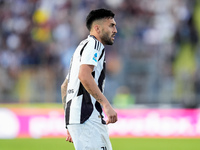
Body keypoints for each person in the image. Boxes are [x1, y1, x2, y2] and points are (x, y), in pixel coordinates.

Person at [61, 8, 118, 150]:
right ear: (97, 28)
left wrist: (69, 122)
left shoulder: (80, 48)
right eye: (111, 25)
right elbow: (84, 75)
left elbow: (65, 86)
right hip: (88, 116)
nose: (115, 30)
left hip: (79, 118)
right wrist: (106, 105)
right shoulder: (94, 45)